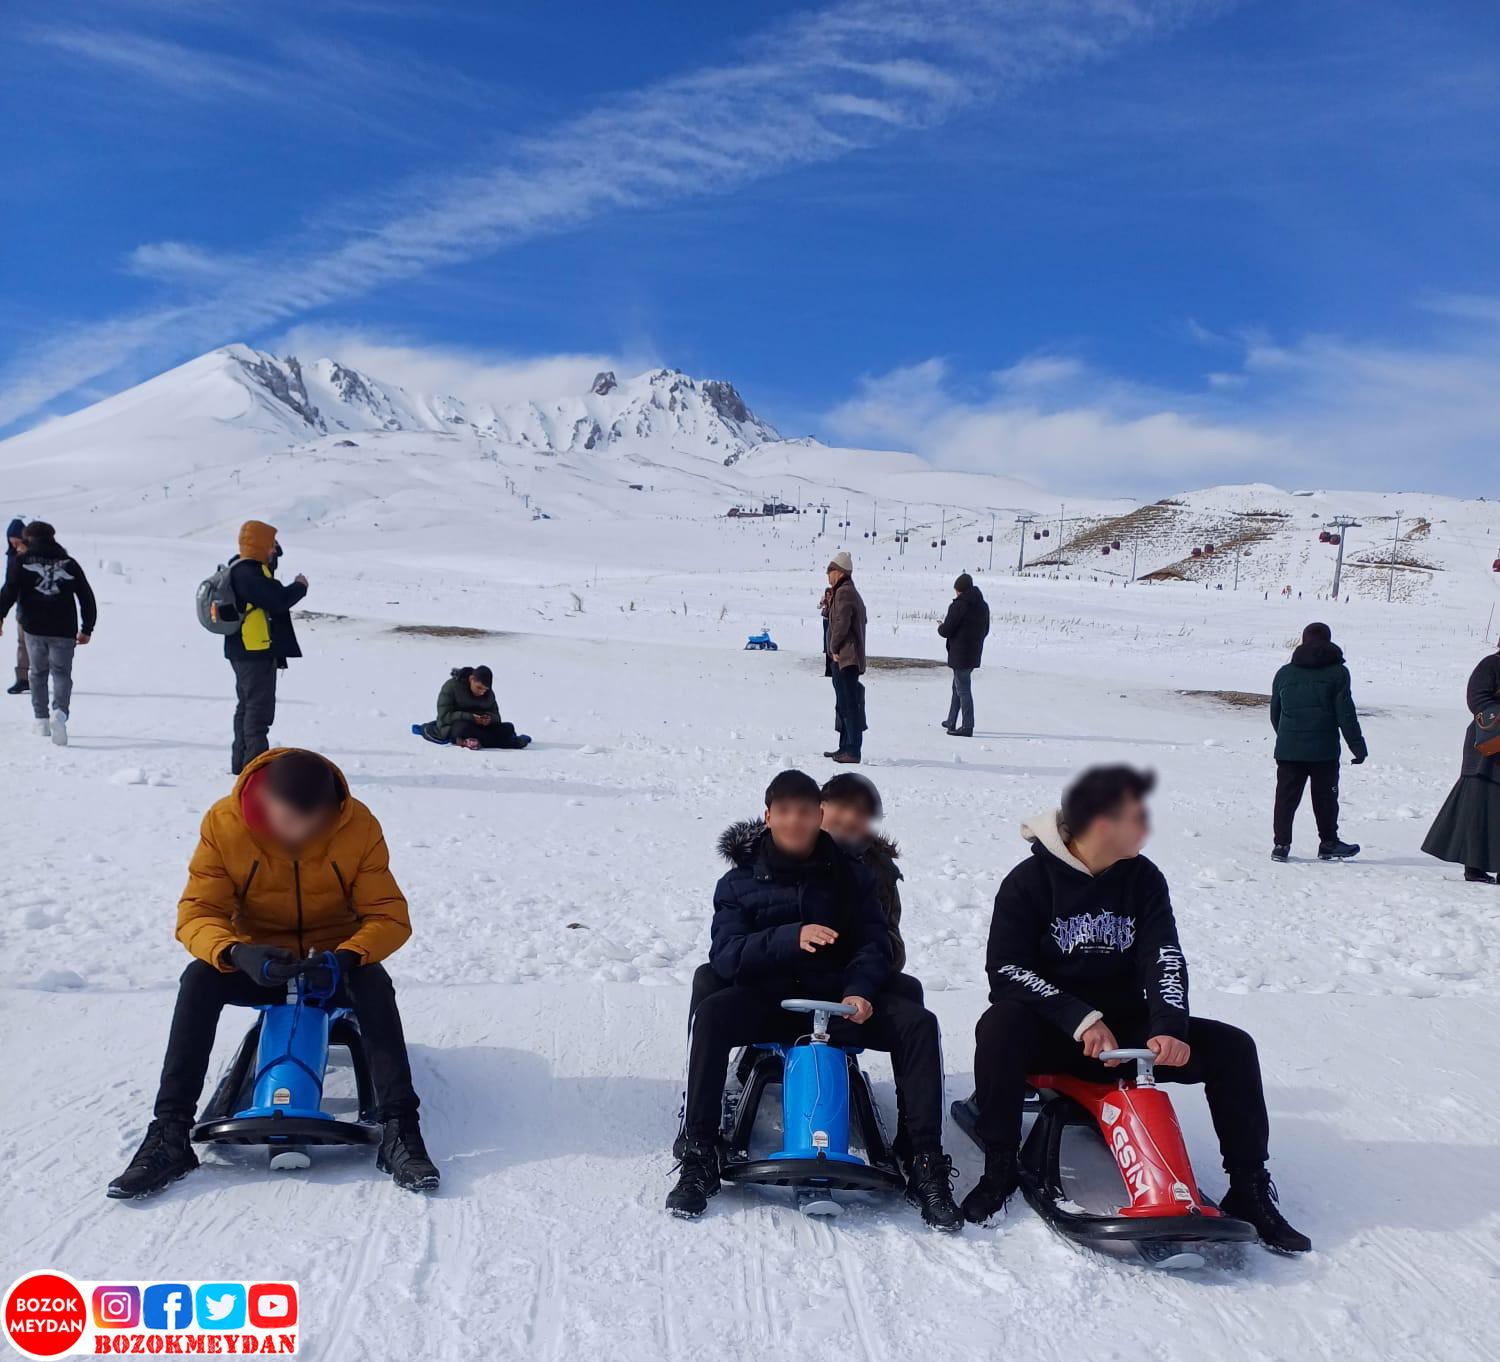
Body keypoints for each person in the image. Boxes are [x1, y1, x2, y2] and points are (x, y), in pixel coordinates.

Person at [961, 766, 1311, 1253]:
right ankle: (999, 1166)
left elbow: (1163, 956)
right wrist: (1080, 1018)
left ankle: (1248, 1186)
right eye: (1136, 818)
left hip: (1125, 1034)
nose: (1146, 828)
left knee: (1232, 1048)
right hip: (1052, 1035)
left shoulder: (1143, 878)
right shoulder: (1029, 882)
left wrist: (1169, 1027)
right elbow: (1006, 970)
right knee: (999, 1025)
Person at [107, 748, 438, 1198]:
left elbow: (388, 915)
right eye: (286, 819)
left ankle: (401, 1128)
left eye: (311, 822)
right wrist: (235, 952)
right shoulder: (224, 824)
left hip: (330, 963)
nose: (297, 832)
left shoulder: (357, 825)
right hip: (261, 963)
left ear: (330, 810)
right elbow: (198, 912)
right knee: (198, 979)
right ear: (265, 801)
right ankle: (169, 1132)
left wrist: (345, 957)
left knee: (373, 982)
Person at [667, 769, 961, 1229]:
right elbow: (725, 955)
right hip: (771, 1003)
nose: (794, 821)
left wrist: (859, 990)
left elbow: (874, 943)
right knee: (712, 1015)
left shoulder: (852, 876)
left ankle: (924, 1158)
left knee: (917, 1022)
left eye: (804, 812)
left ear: (819, 816)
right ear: (768, 817)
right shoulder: (738, 883)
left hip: (837, 1002)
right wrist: (790, 937)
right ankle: (700, 1151)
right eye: (784, 812)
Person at [1269, 622, 1366, 862]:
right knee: (1325, 798)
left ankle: (1281, 845)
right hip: (1324, 751)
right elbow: (1346, 714)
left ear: (1303, 641)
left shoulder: (1284, 673)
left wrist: (1287, 736)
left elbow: (1275, 713)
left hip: (1289, 749)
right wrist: (1357, 746)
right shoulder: (1338, 673)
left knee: (1285, 798)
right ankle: (1329, 843)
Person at [0, 520, 96, 746]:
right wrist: (87, 628)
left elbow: (9, 590)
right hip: (64, 629)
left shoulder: (21, 561)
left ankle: (41, 720)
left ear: (28, 538)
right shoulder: (69, 564)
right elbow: (86, 596)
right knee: (61, 673)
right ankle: (59, 714)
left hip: (34, 627)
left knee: (37, 673)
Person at [225, 520, 308, 775]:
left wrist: (272, 556)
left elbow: (270, 588)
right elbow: (277, 599)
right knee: (258, 711)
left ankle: (242, 764)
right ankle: (255, 767)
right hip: (254, 652)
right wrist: (300, 586)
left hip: (246, 650)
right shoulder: (249, 573)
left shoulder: (242, 568)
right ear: (259, 544)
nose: (274, 549)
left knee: (247, 707)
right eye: (270, 544)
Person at [1421, 641, 1500, 884]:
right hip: (1489, 749)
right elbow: (1477, 699)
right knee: (1480, 808)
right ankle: (1474, 866)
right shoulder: (1491, 665)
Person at [823, 551, 867, 765]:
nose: (828, 576)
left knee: (849, 704)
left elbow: (841, 624)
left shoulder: (845, 593)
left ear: (840, 572)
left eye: (830, 572)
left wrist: (833, 647)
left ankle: (852, 749)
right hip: (845, 657)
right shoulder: (844, 592)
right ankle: (844, 747)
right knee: (843, 704)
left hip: (846, 658)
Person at [937, 572, 990, 737]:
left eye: (957, 590)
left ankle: (967, 726)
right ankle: (951, 720)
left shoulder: (958, 606)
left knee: (963, 690)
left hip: (960, 655)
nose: (956, 593)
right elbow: (986, 630)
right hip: (974, 653)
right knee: (957, 687)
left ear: (961, 590)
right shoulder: (983, 606)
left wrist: (940, 627)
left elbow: (947, 630)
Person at [426, 665, 530, 749]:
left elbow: (497, 717)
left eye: (485, 689)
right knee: (462, 729)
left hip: (479, 727)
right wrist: (471, 717)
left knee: (508, 727)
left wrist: (488, 719)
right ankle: (505, 742)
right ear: (471, 679)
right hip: (456, 725)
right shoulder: (451, 687)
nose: (481, 692)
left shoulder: (488, 694)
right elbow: (444, 716)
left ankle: (480, 740)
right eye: (479, 687)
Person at [5, 518, 29, 695]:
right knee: (23, 643)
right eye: (11, 542)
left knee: (41, 645)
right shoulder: (12, 556)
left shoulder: (35, 554)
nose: (14, 545)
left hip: (41, 607)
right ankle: (22, 679)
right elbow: (10, 584)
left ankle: (40, 678)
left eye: (17, 542)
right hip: (22, 606)